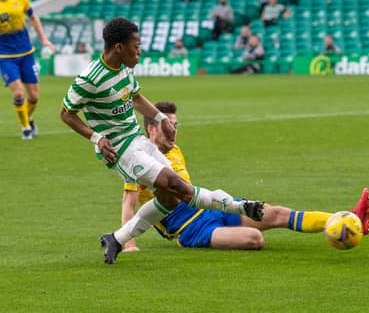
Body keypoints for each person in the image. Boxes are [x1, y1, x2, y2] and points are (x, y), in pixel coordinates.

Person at [60, 17, 264, 264]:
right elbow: (66, 113)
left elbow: (134, 97)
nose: (140, 51)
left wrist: (160, 118)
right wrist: (97, 137)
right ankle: (241, 207)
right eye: (136, 46)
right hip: (119, 150)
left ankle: (116, 238)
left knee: (169, 198)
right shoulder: (89, 79)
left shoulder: (124, 69)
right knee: (176, 184)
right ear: (118, 47)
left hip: (136, 140)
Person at [121, 101, 369, 252]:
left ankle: (351, 220)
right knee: (255, 239)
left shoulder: (175, 150)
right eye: (168, 125)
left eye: (175, 125)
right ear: (152, 128)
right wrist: (129, 243)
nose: (173, 129)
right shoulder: (138, 158)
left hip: (213, 207)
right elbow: (128, 203)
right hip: (190, 228)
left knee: (276, 213)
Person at [0, 0, 55, 140]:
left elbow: (33, 18)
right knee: (18, 93)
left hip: (26, 53)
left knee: (33, 96)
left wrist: (44, 39)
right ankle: (25, 128)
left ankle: (29, 118)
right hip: (5, 56)